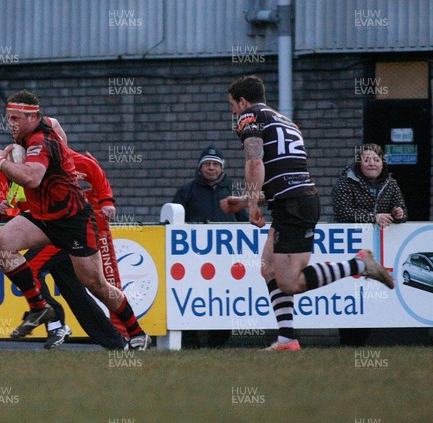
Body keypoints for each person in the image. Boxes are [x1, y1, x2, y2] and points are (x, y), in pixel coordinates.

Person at [220, 75, 394, 351]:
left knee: (290, 282)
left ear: (243, 101)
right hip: (296, 201)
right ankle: (287, 338)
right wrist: (244, 201)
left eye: (232, 105)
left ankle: (360, 265)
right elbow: (284, 177)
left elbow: (255, 162)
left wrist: (252, 204)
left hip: (295, 206)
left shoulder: (249, 116)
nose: (232, 111)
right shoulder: (285, 121)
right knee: (268, 267)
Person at [0, 90, 150, 350]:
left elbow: (31, 178)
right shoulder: (43, 128)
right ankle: (40, 308)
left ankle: (136, 332)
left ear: (32, 118)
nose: (11, 124)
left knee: (95, 284)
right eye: (9, 119)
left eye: (16, 118)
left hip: (73, 220)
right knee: (1, 248)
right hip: (42, 217)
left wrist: (1, 162)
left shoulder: (41, 141)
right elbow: (55, 124)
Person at [0, 149, 126, 349]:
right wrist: (2, 208)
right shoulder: (8, 167)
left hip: (65, 229)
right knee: (75, 292)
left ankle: (57, 323)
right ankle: (117, 343)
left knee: (31, 269)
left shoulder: (56, 161)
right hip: (43, 232)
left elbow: (95, 174)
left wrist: (107, 201)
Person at [172, 144, 249, 348]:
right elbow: (173, 224)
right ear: (200, 167)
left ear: (222, 167)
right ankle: (191, 344)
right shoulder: (186, 191)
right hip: (194, 261)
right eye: (207, 164)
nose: (212, 168)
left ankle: (217, 344)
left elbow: (245, 223)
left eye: (216, 164)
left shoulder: (234, 191)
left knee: (225, 300)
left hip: (226, 262)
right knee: (191, 299)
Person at [332, 143, 407, 346]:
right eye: (367, 159)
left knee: (372, 296)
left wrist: (398, 214)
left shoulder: (391, 183)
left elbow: (402, 211)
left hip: (380, 252)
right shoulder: (345, 182)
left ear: (382, 163)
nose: (372, 163)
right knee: (351, 293)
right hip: (351, 249)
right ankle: (348, 342)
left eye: (376, 159)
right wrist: (373, 217)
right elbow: (343, 213)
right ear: (359, 163)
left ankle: (361, 341)